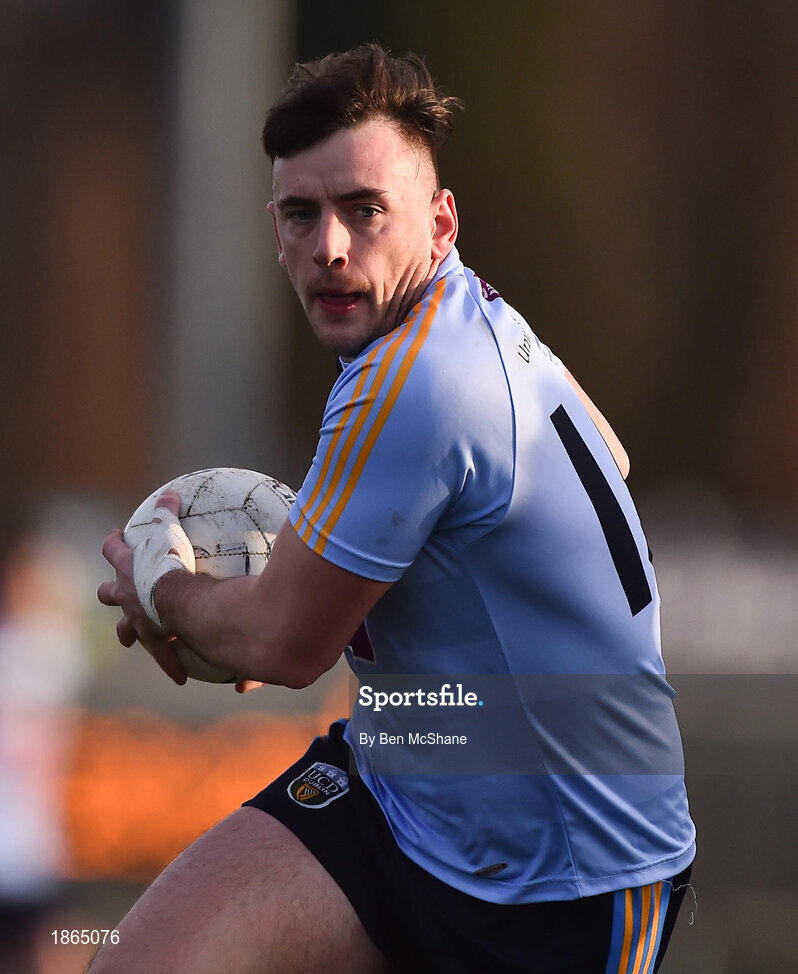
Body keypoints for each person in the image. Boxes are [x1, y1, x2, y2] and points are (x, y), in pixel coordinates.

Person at [95, 44, 695, 974]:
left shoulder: (417, 382)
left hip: (567, 876)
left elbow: (285, 648)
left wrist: (165, 589)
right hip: (401, 788)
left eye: (365, 209)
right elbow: (604, 454)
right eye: (302, 214)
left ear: (440, 221)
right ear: (275, 228)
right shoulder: (474, 319)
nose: (331, 247)